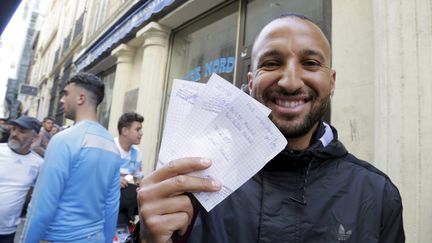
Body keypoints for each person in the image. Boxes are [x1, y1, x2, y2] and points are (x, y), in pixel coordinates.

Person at [137, 13, 405, 243]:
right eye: (272, 63)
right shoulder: (193, 181)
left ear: (332, 81)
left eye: (310, 64)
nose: (290, 82)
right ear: (251, 82)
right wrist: (147, 238)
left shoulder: (377, 194)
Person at [21, 73, 122, 242]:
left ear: (80, 98)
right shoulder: (112, 146)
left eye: (66, 93)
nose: (61, 100)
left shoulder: (63, 140)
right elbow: (111, 207)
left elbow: (42, 207)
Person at [0, 116, 43, 243]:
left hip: (7, 232)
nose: (14, 134)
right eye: (13, 129)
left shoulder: (38, 164)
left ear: (35, 138)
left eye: (22, 131)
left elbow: (32, 194)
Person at [114, 112, 144, 240]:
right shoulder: (109, 148)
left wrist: (140, 184)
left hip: (124, 200)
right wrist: (114, 181)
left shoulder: (137, 154)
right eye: (138, 129)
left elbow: (138, 178)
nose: (141, 133)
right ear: (125, 131)